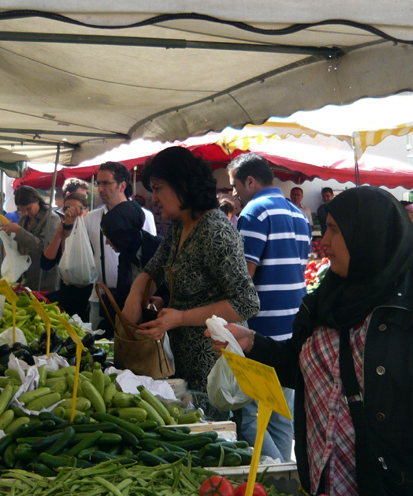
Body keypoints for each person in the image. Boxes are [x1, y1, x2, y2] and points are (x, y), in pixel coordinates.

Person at [212, 186, 413, 496]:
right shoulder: (324, 301)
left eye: (333, 230)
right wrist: (252, 344)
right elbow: (309, 372)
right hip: (327, 492)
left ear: (368, 233)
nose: (323, 240)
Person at [122, 146, 259, 394]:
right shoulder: (180, 226)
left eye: (157, 188)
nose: (154, 198)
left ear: (183, 184)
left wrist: (181, 317)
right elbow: (153, 269)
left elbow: (246, 303)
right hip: (183, 363)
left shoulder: (216, 232)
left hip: (213, 368)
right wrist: (137, 294)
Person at [228, 152, 311, 462]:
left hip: (260, 331)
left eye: (235, 186)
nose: (233, 194)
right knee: (281, 415)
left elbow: (243, 279)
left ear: (250, 181)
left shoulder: (254, 213)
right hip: (291, 328)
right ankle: (286, 474)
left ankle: (275, 471)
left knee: (250, 416)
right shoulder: (297, 213)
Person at [85, 162, 157, 331]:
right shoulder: (91, 218)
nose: (100, 188)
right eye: (98, 183)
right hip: (104, 298)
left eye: (106, 183)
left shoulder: (146, 221)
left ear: (122, 185)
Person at [40, 191, 95, 320]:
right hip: (65, 296)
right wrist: (59, 234)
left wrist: (70, 229)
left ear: (86, 210)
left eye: (77, 209)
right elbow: (46, 263)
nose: (71, 213)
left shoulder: (89, 234)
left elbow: (73, 267)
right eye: (67, 209)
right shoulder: (63, 230)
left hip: (85, 296)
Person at [0, 186, 61, 291]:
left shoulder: (51, 218)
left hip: (46, 281)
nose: (26, 213)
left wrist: (19, 231)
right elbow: (21, 248)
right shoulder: (23, 219)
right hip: (28, 280)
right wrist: (10, 237)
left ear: (36, 200)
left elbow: (44, 248)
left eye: (28, 208)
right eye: (22, 210)